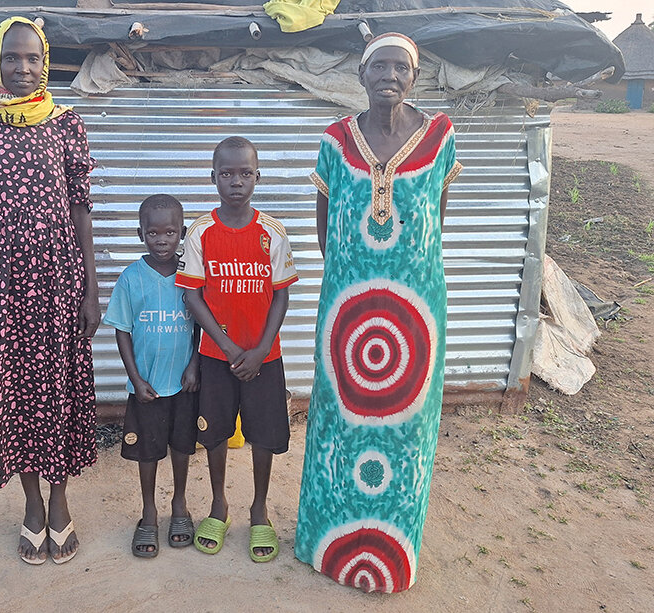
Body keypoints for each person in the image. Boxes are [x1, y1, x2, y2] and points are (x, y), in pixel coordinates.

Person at [295, 33, 463, 592]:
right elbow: (325, 221)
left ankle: (392, 556)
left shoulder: (439, 136)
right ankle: (328, 546)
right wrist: (351, 271)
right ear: (361, 75)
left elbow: (436, 216)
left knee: (407, 426)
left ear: (414, 76)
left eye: (400, 67)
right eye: (378, 66)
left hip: (416, 308)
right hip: (347, 306)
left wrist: (403, 269)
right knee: (337, 420)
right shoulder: (335, 139)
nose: (389, 75)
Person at [0, 16, 100, 566]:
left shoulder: (67, 124)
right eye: (11, 58)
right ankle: (32, 505)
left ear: (46, 63)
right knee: (14, 399)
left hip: (59, 283)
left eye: (33, 59)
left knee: (57, 394)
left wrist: (89, 288)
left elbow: (80, 210)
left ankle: (61, 500)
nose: (22, 69)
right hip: (3, 287)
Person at [176, 137, 298, 562]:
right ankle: (218, 504)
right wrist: (228, 348)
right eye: (226, 173)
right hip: (216, 356)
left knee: (263, 436)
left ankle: (260, 510)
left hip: (264, 356)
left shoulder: (273, 232)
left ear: (257, 177)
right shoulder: (199, 232)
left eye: (245, 173)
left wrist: (262, 347)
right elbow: (193, 297)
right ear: (213, 178)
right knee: (215, 434)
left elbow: (280, 296)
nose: (236, 182)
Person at [102, 194, 201, 558]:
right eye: (153, 233)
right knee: (147, 451)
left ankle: (179, 505)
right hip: (146, 387)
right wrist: (135, 376)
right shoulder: (131, 278)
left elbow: (200, 327)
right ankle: (148, 513)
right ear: (140, 232)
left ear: (182, 233)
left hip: (184, 385)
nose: (162, 240)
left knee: (180, 447)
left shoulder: (192, 275)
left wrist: (194, 366)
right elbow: (122, 330)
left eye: (170, 232)